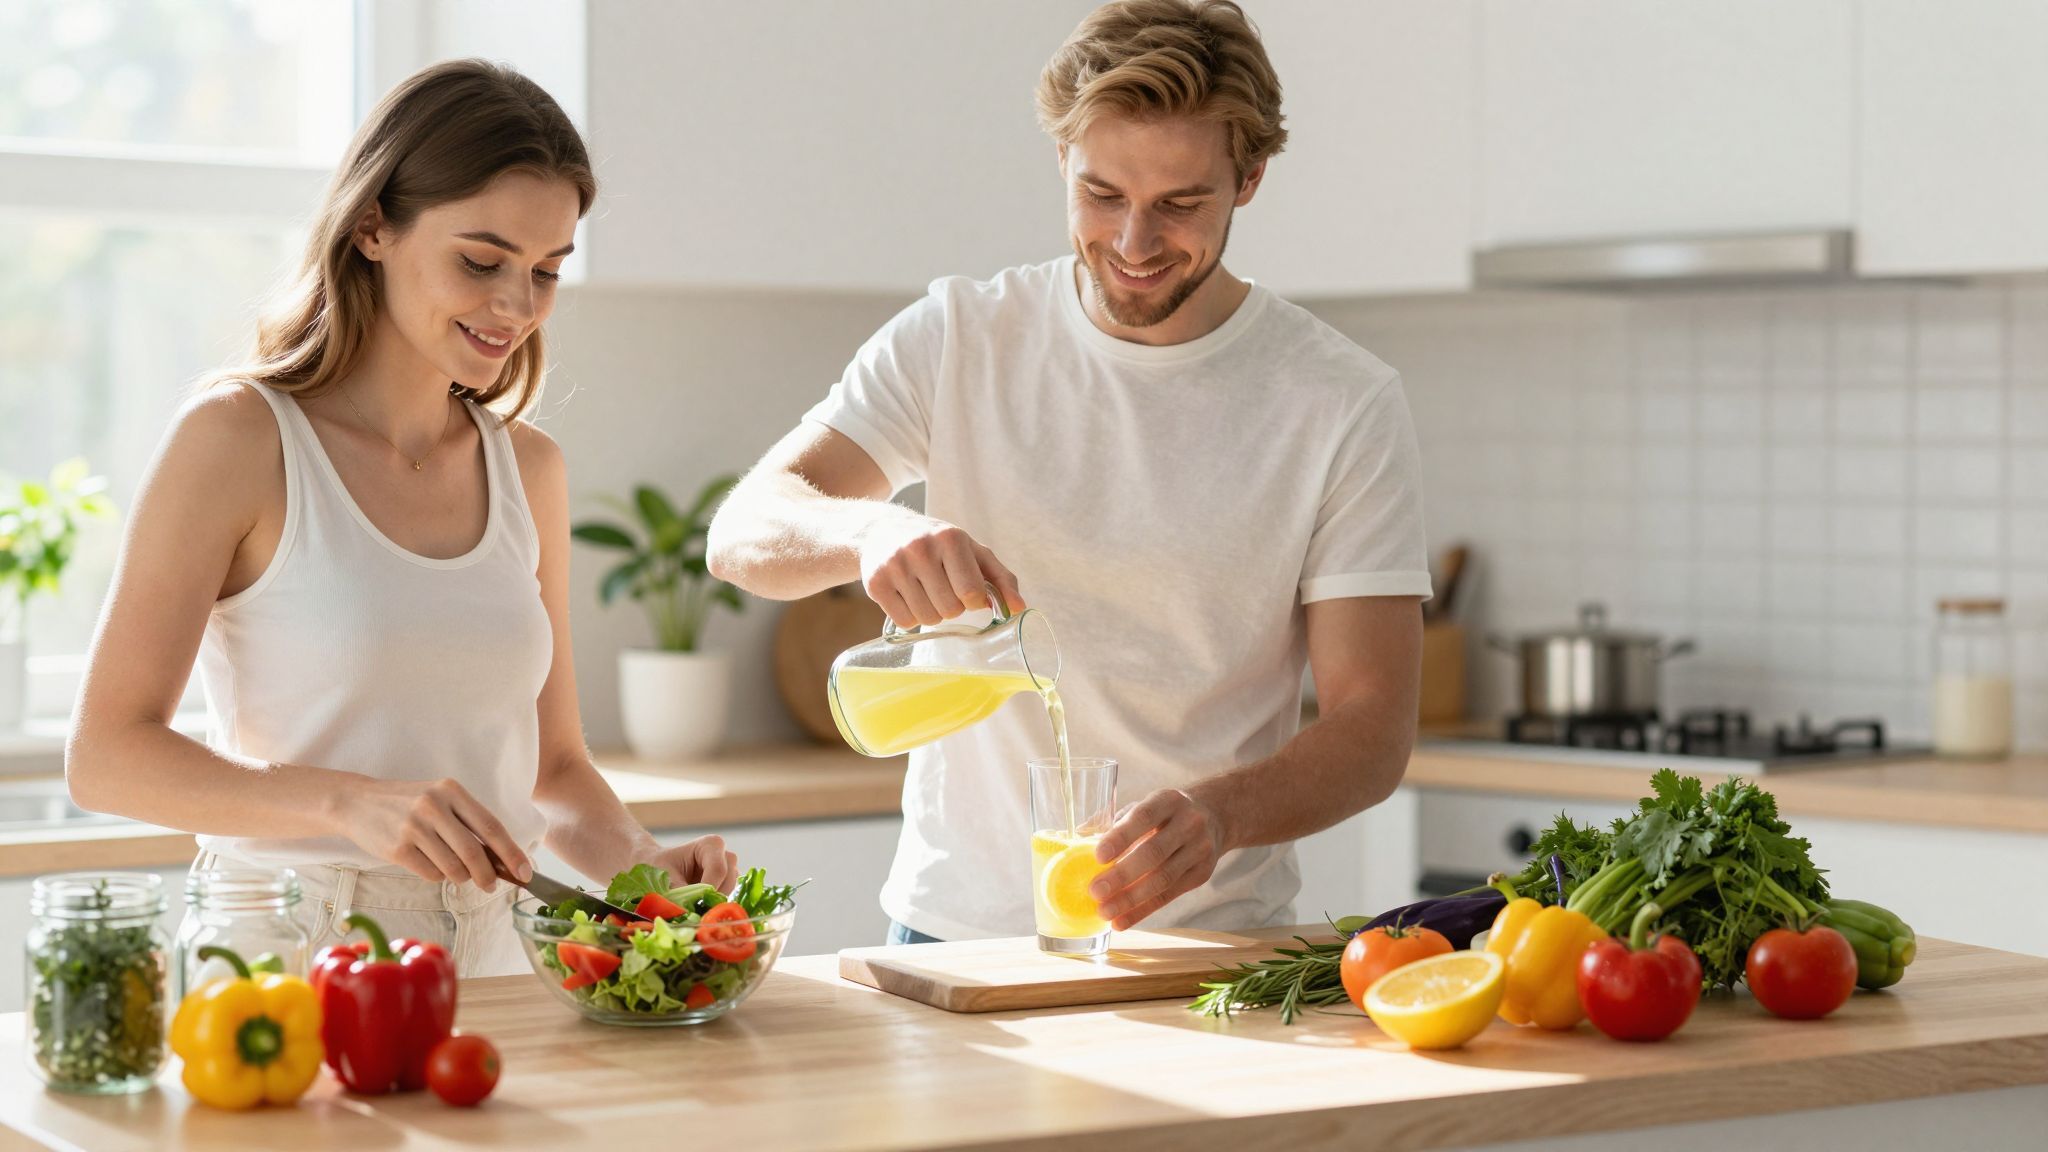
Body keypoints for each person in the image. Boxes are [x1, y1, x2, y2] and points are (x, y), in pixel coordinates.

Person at [708, 0, 1429, 945]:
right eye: (1102, 195)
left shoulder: (1339, 401)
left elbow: (1372, 729)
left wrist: (1219, 818)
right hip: (956, 936)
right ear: (1062, 159)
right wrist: (872, 530)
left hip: (1206, 951)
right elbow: (744, 532)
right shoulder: (962, 338)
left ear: (1249, 178)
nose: (1133, 244)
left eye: (1180, 204)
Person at [66, 60, 736, 977]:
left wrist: (645, 867)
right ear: (374, 225)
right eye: (481, 260)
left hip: (498, 956)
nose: (516, 306)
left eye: (546, 271)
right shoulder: (240, 440)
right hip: (290, 958)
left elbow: (556, 772)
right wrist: (349, 804)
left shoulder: (527, 468)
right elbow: (107, 755)